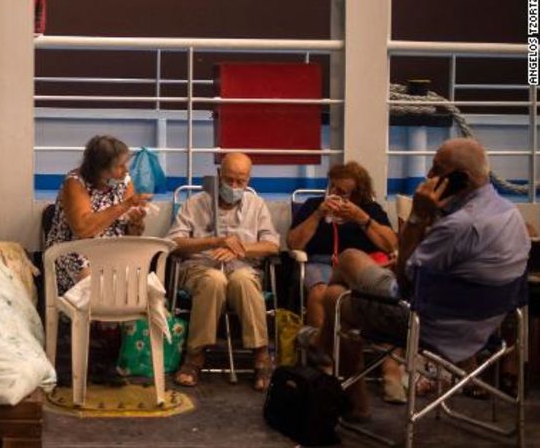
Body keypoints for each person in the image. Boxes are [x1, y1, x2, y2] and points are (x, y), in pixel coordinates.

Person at [306, 138, 529, 420]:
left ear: (462, 179)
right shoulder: (510, 214)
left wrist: (417, 216)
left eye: (437, 169)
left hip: (428, 325)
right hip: (486, 325)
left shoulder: (459, 224)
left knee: (336, 290)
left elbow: (405, 283)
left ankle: (346, 382)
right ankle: (331, 349)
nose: (428, 176)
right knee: (339, 286)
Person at [286, 161, 405, 403]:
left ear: (358, 194)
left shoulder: (370, 210)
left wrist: (362, 219)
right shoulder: (313, 206)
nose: (336, 196)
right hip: (321, 262)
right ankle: (327, 365)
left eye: (343, 192)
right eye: (333, 189)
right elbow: (294, 243)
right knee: (320, 293)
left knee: (380, 299)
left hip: (363, 267)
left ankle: (390, 370)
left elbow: (390, 244)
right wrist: (319, 214)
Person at [166, 152, 279, 391]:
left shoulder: (257, 205)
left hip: (243, 267)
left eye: (241, 181)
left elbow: (272, 245)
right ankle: (194, 357)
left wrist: (240, 249)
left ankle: (261, 356)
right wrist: (214, 242)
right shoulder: (195, 203)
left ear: (249, 180)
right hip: (200, 268)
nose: (235, 186)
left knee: (243, 280)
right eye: (230, 180)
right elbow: (174, 243)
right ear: (218, 175)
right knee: (214, 279)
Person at [43, 135, 151, 385]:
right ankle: (87, 356)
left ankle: (109, 357)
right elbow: (83, 229)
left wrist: (136, 222)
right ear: (100, 168)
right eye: (119, 165)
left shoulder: (124, 181)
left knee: (134, 284)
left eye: (126, 164)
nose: (125, 170)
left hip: (113, 250)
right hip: (73, 250)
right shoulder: (75, 183)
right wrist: (123, 207)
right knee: (94, 284)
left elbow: (131, 232)